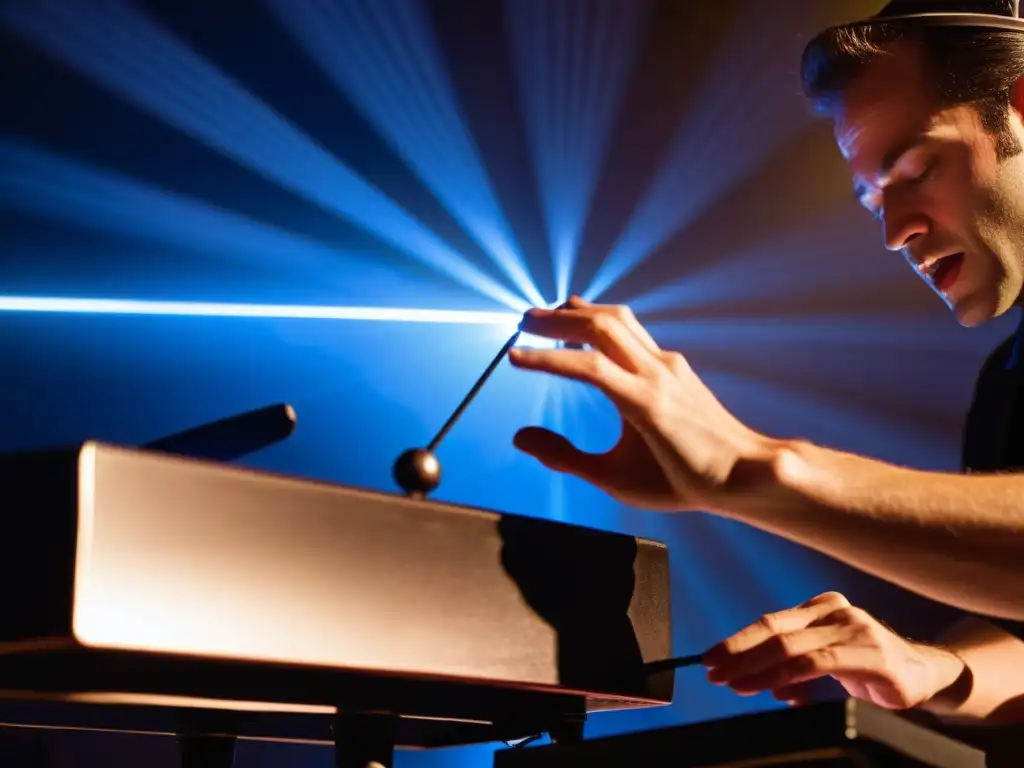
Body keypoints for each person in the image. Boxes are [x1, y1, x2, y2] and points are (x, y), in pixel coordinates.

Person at [507, 0, 1024, 721]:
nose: (896, 232)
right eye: (875, 198)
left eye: (918, 167)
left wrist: (750, 470)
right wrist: (937, 668)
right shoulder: (1008, 381)